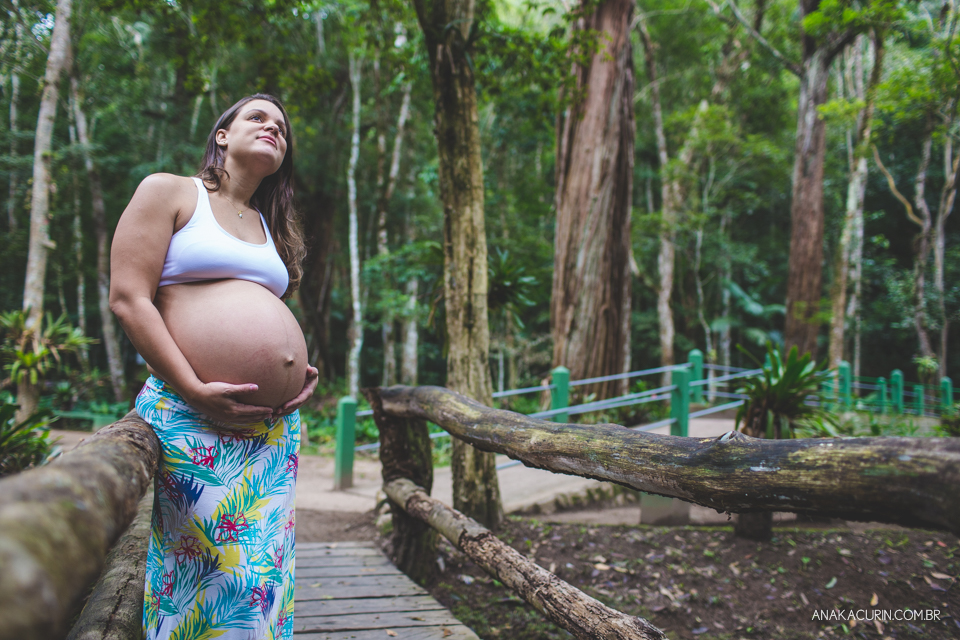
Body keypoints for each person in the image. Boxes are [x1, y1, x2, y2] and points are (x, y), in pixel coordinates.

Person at [110, 93, 318, 640]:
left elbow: (259, 311)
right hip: (194, 415)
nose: (273, 127)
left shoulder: (269, 225)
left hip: (270, 432)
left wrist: (297, 368)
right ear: (222, 135)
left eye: (282, 127)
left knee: (261, 584)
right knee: (206, 581)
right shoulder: (171, 191)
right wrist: (194, 387)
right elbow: (130, 298)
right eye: (257, 117)